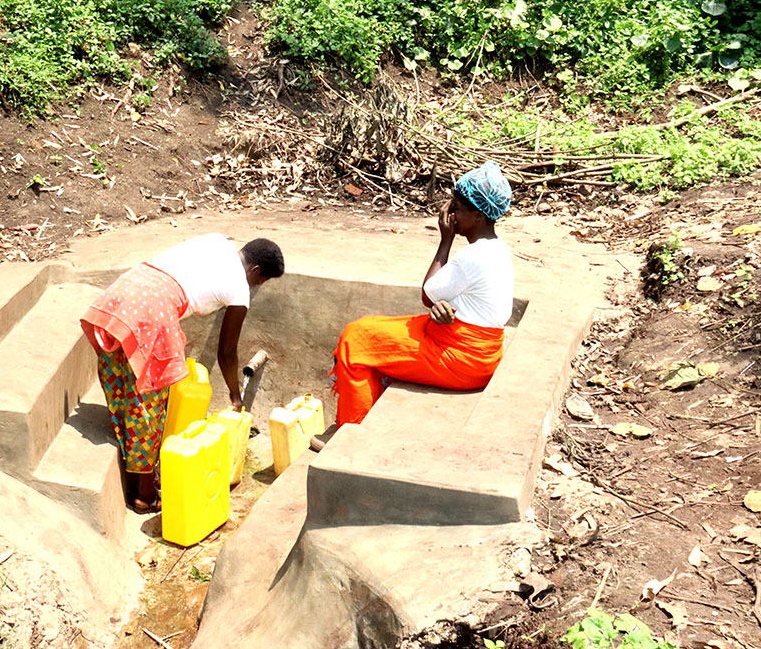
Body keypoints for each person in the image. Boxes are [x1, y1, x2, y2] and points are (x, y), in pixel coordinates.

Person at [80, 234, 285, 511]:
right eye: (261, 280)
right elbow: (226, 352)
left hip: (129, 285)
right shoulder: (239, 288)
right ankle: (144, 492)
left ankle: (129, 451)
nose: (257, 285)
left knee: (120, 370)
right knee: (150, 399)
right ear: (256, 271)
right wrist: (235, 395)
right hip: (155, 305)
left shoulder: (217, 242)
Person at [320, 161, 514, 444]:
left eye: (457, 208)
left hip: (462, 359)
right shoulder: (499, 249)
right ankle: (368, 404)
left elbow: (427, 293)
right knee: (371, 327)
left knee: (354, 339)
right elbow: (446, 300)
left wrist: (445, 239)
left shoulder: (470, 257)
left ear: (478, 215)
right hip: (478, 349)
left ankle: (349, 433)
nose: (452, 213)